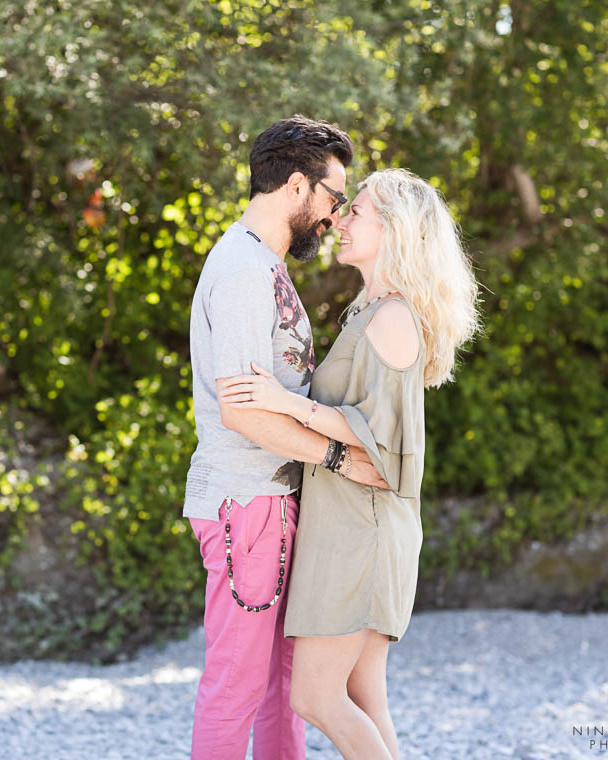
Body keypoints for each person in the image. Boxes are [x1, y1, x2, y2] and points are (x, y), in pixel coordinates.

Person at [218, 167, 482, 760]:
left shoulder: (391, 318)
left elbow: (380, 440)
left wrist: (285, 403)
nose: (339, 218)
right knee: (364, 696)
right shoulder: (375, 311)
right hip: (355, 522)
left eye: (357, 211)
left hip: (360, 530)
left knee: (314, 695)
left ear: (397, 230)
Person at [183, 116, 392, 760]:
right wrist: (337, 455)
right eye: (333, 198)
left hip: (270, 503)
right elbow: (242, 412)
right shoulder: (245, 269)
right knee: (237, 684)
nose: (333, 217)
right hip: (247, 504)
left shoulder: (262, 265)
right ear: (297, 186)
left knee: (283, 684)